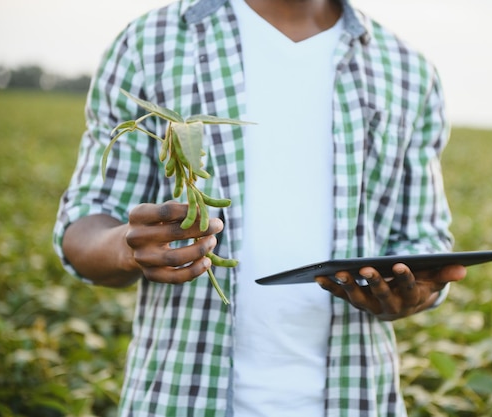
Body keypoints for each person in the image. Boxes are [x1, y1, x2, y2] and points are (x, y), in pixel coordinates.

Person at [53, 0, 466, 415]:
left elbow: (422, 237)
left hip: (355, 398)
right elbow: (85, 225)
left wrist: (413, 291)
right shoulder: (151, 42)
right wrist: (127, 248)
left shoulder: (408, 72)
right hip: (178, 398)